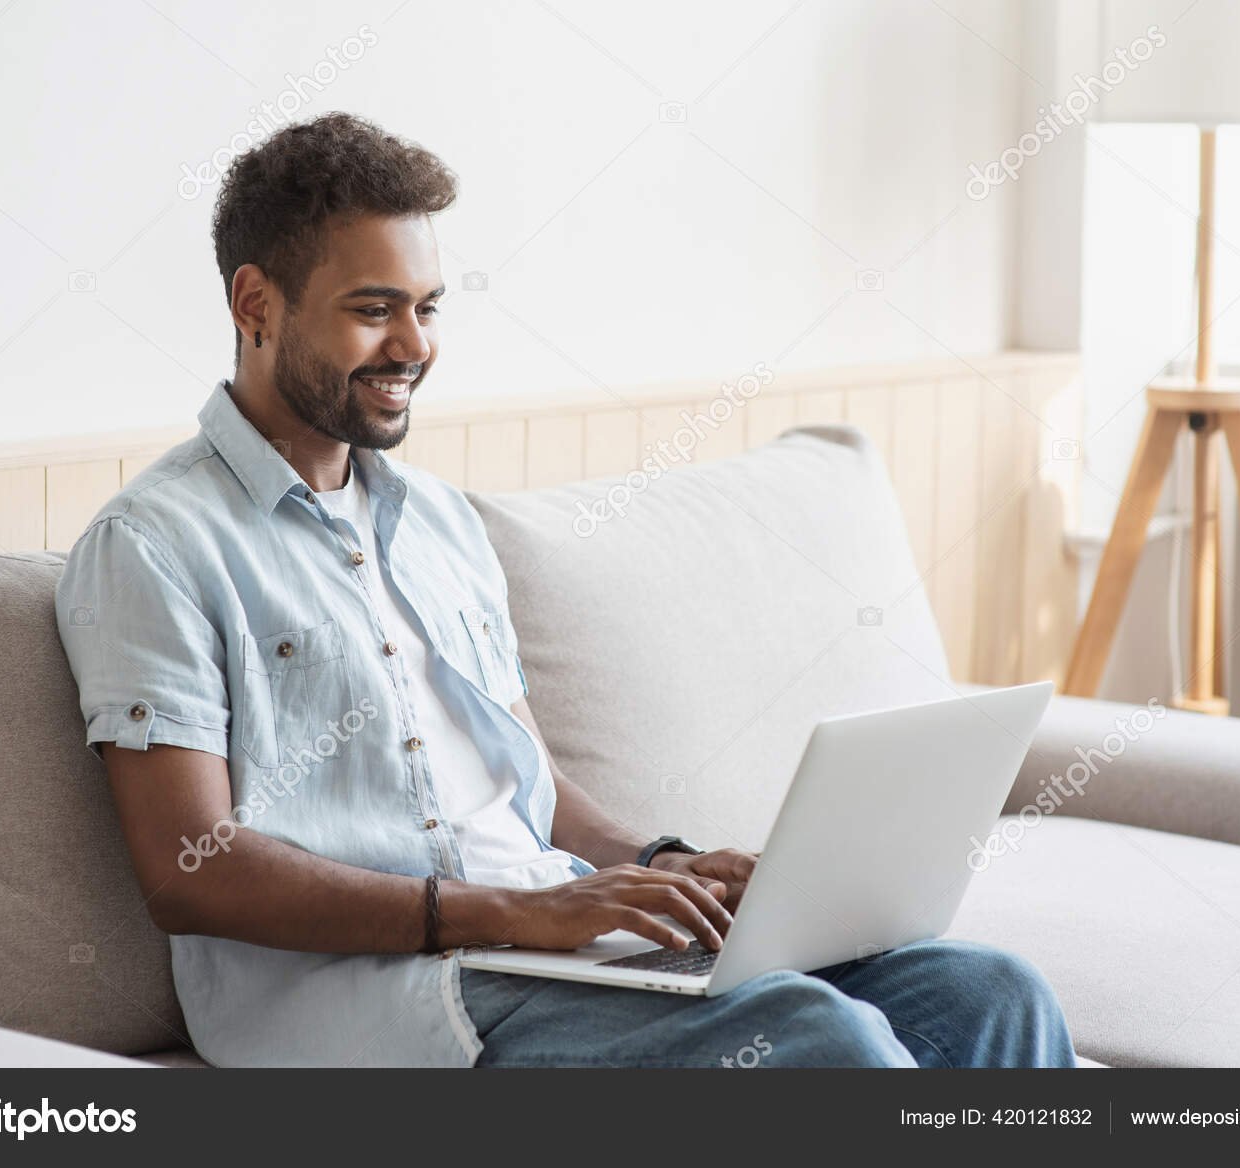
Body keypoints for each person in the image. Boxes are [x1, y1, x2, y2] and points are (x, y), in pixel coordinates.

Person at [55, 112, 1076, 1069]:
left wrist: (665, 860)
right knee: (818, 1042)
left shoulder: (440, 524)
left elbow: (532, 788)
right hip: (374, 1002)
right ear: (255, 305)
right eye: (373, 310)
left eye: (426, 308)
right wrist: (508, 912)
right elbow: (190, 869)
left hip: (541, 951)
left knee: (992, 993)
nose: (413, 346)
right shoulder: (155, 546)